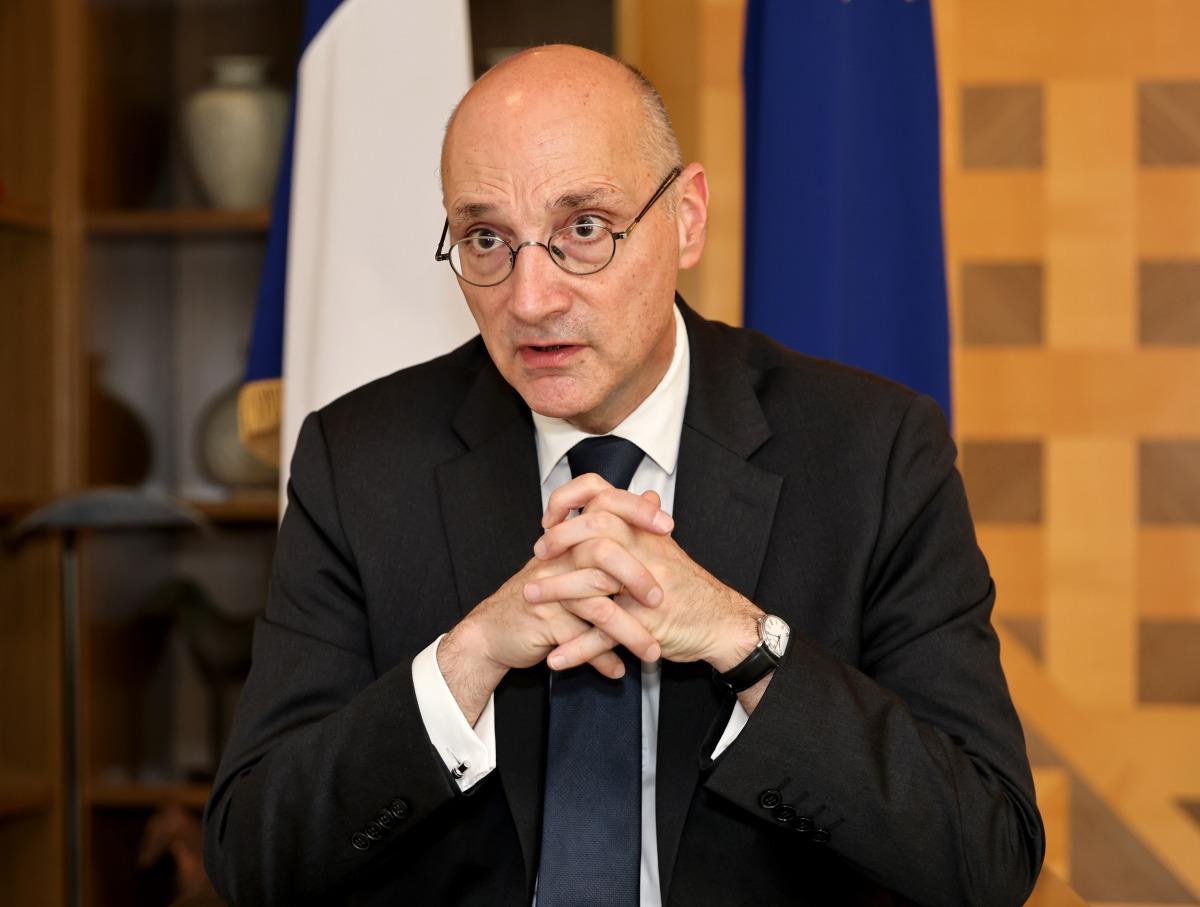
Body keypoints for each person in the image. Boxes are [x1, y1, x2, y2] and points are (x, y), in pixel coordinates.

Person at [203, 44, 1044, 907]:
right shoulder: (362, 461)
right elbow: (254, 857)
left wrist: (741, 642)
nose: (530, 299)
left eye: (584, 229)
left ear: (687, 218)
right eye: (486, 239)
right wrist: (468, 659)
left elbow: (986, 855)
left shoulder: (872, 452)